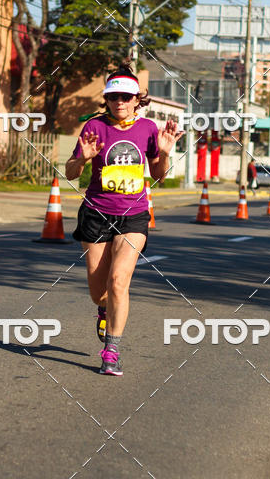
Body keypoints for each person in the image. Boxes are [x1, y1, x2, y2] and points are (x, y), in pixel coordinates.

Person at [65, 65, 183, 376]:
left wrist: (166, 153)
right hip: (95, 213)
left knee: (119, 281)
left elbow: (157, 174)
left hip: (133, 214)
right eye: (114, 96)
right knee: (98, 291)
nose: (120, 101)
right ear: (107, 99)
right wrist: (82, 158)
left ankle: (112, 350)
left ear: (137, 100)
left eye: (126, 97)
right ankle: (103, 310)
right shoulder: (94, 127)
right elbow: (71, 173)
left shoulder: (147, 130)